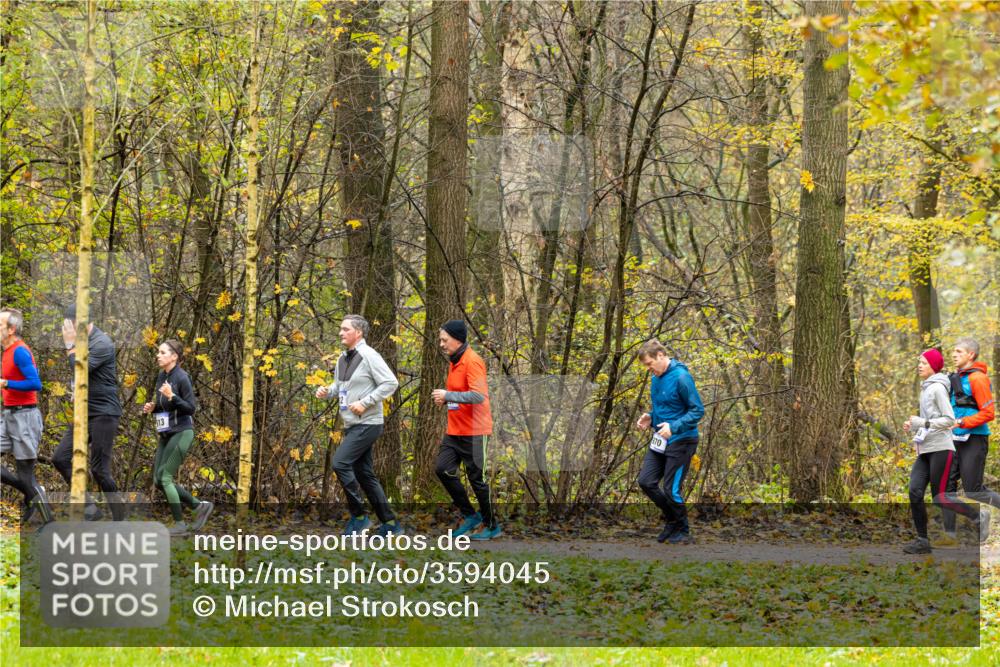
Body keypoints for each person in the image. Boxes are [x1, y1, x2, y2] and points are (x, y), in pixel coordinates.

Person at [316, 315, 402, 537]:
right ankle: (391, 524)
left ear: (359, 333)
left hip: (368, 422)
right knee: (364, 474)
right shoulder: (343, 358)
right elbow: (339, 386)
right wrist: (327, 391)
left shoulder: (369, 355)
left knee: (340, 462)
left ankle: (360, 517)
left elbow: (391, 383)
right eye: (340, 329)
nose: (340, 333)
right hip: (352, 424)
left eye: (345, 329)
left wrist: (365, 403)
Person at [903, 348, 988, 554]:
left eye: (923, 363)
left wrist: (923, 422)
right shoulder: (925, 388)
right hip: (926, 449)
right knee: (915, 491)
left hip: (941, 448)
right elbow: (930, 421)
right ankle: (923, 540)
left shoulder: (938, 388)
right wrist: (916, 428)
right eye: (919, 362)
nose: (919, 366)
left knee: (940, 497)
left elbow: (950, 420)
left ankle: (977, 516)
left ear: (933, 366)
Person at [51, 303, 125, 520]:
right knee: (60, 458)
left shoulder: (102, 343)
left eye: (69, 325)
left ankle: (120, 518)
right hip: (84, 412)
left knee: (100, 470)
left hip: (104, 412)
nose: (66, 329)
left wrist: (69, 346)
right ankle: (90, 508)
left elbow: (80, 368)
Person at [432, 319, 500, 540]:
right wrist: (447, 399)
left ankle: (491, 526)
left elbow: (479, 395)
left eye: (445, 339)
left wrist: (448, 395)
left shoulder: (473, 361)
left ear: (457, 339)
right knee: (442, 469)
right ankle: (470, 516)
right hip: (454, 431)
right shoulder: (454, 361)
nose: (441, 344)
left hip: (475, 431)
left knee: (476, 480)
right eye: (441, 340)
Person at [141, 340, 214, 536]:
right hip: (166, 433)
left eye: (163, 352)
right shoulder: (161, 376)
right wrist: (154, 407)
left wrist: (173, 396)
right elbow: (164, 406)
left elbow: (190, 408)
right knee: (157, 480)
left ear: (174, 357)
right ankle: (199, 506)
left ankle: (180, 525)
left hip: (182, 432)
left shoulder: (182, 378)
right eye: (158, 352)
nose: (158, 355)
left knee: (165, 477)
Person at [635, 339, 704, 544]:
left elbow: (697, 410)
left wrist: (673, 427)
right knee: (646, 481)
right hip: (660, 439)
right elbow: (665, 406)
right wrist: (650, 416)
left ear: (661, 356)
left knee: (671, 489)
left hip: (682, 439)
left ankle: (683, 529)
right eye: (645, 366)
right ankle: (673, 521)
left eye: (649, 364)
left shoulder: (682, 377)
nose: (649, 369)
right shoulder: (656, 378)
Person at [939, 337, 999, 543]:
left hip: (975, 439)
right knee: (945, 490)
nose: (953, 354)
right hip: (952, 439)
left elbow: (988, 413)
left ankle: (982, 516)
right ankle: (949, 535)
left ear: (970, 355)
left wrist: (963, 422)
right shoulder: (954, 377)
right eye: (953, 351)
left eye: (958, 351)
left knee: (974, 490)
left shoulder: (978, 378)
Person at [0, 308, 53, 526]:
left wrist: (6, 383)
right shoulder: (6, 351)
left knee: (25, 473)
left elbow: (35, 383)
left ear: (11, 329)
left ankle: (50, 521)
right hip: (9, 414)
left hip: (25, 416)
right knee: (25, 480)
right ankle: (33, 493)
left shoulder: (20, 351)